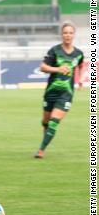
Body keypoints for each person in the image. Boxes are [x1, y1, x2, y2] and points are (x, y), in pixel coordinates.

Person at [34, 22, 84, 158]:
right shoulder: (54, 51)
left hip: (66, 94)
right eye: (65, 32)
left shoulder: (78, 54)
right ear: (61, 35)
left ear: (74, 35)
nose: (68, 35)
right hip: (51, 92)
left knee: (53, 122)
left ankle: (41, 150)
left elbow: (81, 65)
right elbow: (42, 67)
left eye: (70, 33)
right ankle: (46, 139)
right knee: (45, 122)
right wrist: (57, 69)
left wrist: (80, 80)